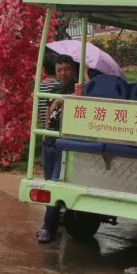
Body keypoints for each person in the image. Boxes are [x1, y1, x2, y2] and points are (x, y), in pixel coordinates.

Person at [36, 54, 77, 244]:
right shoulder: (54, 88)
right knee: (48, 185)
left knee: (53, 184)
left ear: (73, 70)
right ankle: (54, 221)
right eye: (60, 69)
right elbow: (46, 114)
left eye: (67, 69)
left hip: (64, 144)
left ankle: (48, 228)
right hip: (49, 142)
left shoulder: (76, 89)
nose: (63, 73)